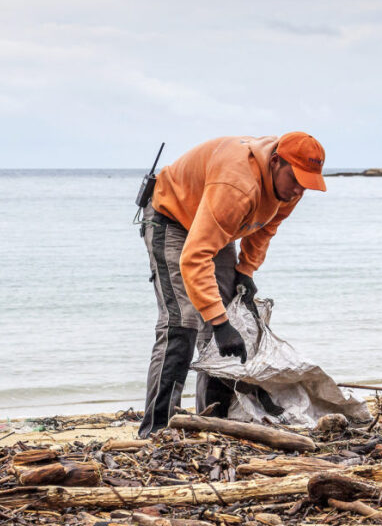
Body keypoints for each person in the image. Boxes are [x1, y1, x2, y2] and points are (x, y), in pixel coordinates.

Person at [138, 131, 327, 437]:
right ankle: (157, 428)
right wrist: (217, 321)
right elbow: (194, 257)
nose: (298, 190)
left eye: (306, 183)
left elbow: (266, 228)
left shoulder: (291, 190)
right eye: (295, 179)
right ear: (276, 162)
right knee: (183, 323)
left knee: (234, 320)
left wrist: (246, 270)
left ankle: (214, 420)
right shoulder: (237, 185)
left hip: (216, 225)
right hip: (171, 218)